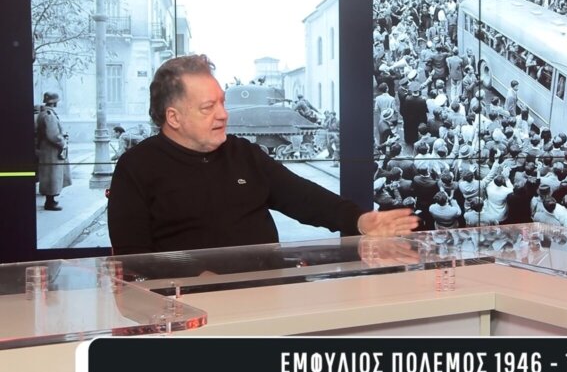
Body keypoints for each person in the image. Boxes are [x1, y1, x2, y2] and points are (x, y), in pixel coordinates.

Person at [108, 54, 419, 255]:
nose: (223, 115)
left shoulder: (244, 154)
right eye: (208, 107)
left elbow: (304, 197)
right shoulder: (136, 169)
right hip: (189, 317)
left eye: (222, 103)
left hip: (265, 301)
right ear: (173, 117)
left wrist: (360, 219)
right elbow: (133, 263)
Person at [35, 92, 71, 211]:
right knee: (52, 176)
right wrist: (62, 142)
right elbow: (53, 135)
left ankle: (51, 200)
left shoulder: (43, 113)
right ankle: (50, 202)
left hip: (46, 149)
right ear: (54, 102)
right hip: (51, 150)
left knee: (49, 175)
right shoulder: (49, 115)